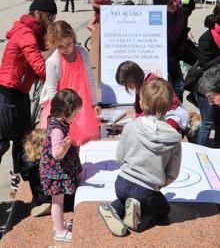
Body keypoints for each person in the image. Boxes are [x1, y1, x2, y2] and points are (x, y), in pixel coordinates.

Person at [98, 78, 182, 236]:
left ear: (142, 104)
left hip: (122, 183)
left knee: (127, 198)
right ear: (169, 105)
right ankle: (138, 223)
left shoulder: (131, 126)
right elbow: (173, 172)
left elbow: (119, 156)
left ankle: (114, 209)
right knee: (163, 209)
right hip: (147, 190)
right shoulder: (174, 137)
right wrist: (161, 183)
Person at [0, 0, 57, 190]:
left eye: (54, 16)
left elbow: (47, 48)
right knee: (7, 142)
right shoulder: (25, 34)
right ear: (39, 14)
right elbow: (40, 66)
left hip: (19, 93)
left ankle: (28, 183)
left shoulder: (34, 32)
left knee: (24, 140)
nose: (52, 20)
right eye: (50, 15)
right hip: (8, 94)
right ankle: (31, 184)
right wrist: (60, 77)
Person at [40, 20, 100, 146]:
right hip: (63, 107)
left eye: (68, 44)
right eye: (60, 46)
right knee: (65, 140)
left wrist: (94, 103)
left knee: (84, 140)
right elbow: (52, 90)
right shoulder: (53, 62)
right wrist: (60, 113)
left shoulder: (83, 53)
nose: (66, 49)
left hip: (81, 104)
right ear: (54, 45)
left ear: (73, 38)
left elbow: (90, 79)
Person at [153, 0, 209, 102]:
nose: (176, 3)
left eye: (174, 0)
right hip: (169, 51)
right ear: (162, 7)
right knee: (178, 83)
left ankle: (197, 93)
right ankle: (177, 107)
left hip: (182, 44)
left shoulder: (177, 2)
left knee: (203, 64)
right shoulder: (159, 19)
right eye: (170, 3)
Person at [40, 88, 83, 243]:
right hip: (55, 173)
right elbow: (56, 154)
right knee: (57, 202)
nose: (76, 116)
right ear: (65, 113)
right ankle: (59, 231)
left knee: (58, 201)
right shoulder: (57, 130)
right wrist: (64, 149)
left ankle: (59, 223)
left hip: (54, 170)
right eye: (75, 114)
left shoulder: (57, 121)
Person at [115, 61, 189, 135]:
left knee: (164, 130)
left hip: (171, 113)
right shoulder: (140, 84)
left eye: (127, 84)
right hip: (156, 115)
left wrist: (135, 124)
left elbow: (155, 107)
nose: (128, 88)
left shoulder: (152, 83)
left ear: (132, 79)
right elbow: (140, 111)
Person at [194, 4, 220, 148]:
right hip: (208, 86)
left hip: (219, 85)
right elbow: (204, 65)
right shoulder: (206, 38)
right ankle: (200, 152)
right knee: (208, 123)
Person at [19, 129, 52, 217]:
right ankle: (52, 206)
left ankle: (43, 204)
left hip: (39, 196)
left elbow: (24, 178)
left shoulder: (25, 160)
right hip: (56, 194)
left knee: (32, 205)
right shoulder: (51, 157)